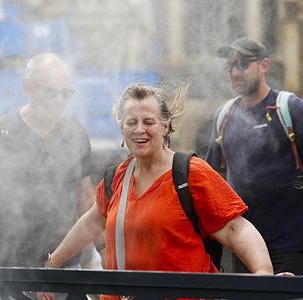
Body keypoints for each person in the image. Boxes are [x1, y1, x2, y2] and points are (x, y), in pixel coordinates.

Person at [38, 82, 274, 300]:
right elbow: (90, 223)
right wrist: (52, 265)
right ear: (122, 127)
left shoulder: (190, 173)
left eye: (148, 122)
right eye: (131, 122)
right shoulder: (116, 178)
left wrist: (263, 273)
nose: (139, 130)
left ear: (165, 126)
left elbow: (235, 228)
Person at [0, 53, 104, 300]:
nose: (60, 100)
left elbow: (87, 203)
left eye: (66, 93)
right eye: (51, 92)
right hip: (6, 273)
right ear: (27, 87)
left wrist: (105, 252)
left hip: (65, 271)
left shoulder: (76, 133)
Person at [205, 37, 303, 275]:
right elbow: (210, 181)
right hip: (243, 250)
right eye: (229, 66)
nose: (234, 72)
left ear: (264, 65)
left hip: (290, 248)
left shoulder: (290, 109)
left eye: (242, 64)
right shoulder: (224, 116)